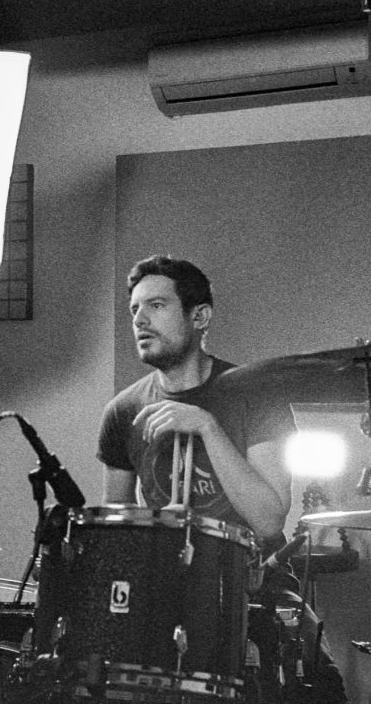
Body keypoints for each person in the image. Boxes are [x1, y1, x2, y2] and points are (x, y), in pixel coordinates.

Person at [97, 254, 348, 704]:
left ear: (200, 316)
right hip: (164, 588)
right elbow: (118, 531)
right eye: (134, 309)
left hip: (253, 584)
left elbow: (269, 520)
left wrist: (207, 427)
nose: (140, 320)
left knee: (321, 684)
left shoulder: (256, 394)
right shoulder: (124, 412)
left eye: (156, 305)